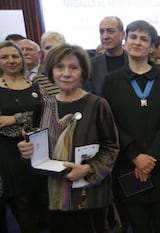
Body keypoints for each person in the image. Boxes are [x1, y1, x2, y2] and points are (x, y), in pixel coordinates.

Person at [17, 43, 120, 233]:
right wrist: (28, 150)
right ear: (51, 71)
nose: (66, 73)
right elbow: (37, 147)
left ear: (82, 72)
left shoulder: (97, 104)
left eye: (73, 67)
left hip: (90, 195)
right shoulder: (43, 106)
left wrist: (89, 168)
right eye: (59, 67)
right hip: (54, 195)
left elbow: (111, 147)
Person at [101, 20, 160, 233]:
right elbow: (110, 122)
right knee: (138, 223)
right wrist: (135, 156)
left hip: (159, 164)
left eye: (144, 39)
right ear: (125, 41)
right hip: (129, 166)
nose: (137, 42)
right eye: (133, 37)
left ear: (152, 47)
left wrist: (150, 158)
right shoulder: (111, 81)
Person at [0, 41, 44, 233]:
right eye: (4, 57)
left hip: (36, 149)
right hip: (6, 153)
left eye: (15, 56)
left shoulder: (35, 86)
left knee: (38, 203)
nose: (11, 61)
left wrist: (14, 118)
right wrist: (21, 120)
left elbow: (43, 115)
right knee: (20, 204)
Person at [87, 16, 127, 96]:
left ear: (123, 35)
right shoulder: (91, 66)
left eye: (110, 31)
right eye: (102, 32)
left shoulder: (135, 61)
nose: (105, 36)